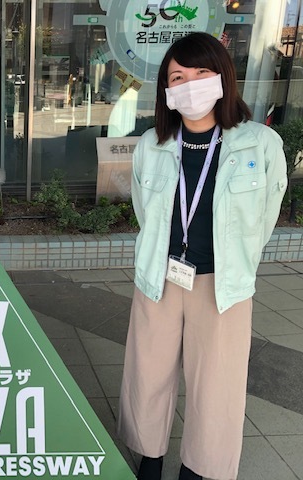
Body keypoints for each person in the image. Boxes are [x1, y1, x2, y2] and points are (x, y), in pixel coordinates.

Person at [117, 32, 287, 480]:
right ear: (166, 90)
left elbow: (264, 217)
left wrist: (235, 260)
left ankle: (198, 468)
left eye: (201, 72)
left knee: (216, 384)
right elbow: (144, 210)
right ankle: (149, 456)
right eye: (178, 77)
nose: (190, 84)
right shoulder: (151, 145)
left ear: (222, 77)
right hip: (160, 276)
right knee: (148, 373)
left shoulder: (259, 144)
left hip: (221, 285)